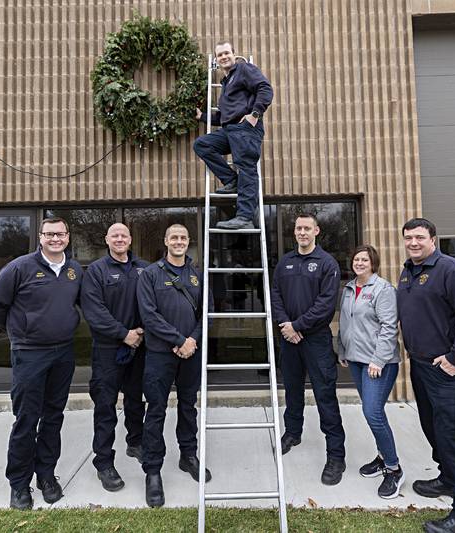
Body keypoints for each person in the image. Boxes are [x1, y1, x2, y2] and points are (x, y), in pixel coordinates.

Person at [0, 217, 83, 510]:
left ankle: (47, 476)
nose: (55, 239)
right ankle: (19, 484)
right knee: (27, 419)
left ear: (67, 237)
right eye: (50, 234)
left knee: (53, 416)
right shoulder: (19, 267)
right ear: (40, 237)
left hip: (63, 353)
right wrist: (19, 330)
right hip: (30, 353)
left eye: (60, 234)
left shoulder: (74, 270)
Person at [397, 218, 455, 533]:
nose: (413, 242)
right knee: (434, 430)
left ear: (433, 239)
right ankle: (448, 478)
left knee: (453, 437)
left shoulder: (452, 271)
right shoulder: (408, 271)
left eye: (419, 237)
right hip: (421, 365)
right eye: (408, 237)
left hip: (446, 370)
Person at [137, 224, 211, 508]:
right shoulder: (151, 274)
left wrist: (192, 340)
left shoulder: (198, 275)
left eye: (183, 238)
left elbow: (207, 313)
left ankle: (188, 455)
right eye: (174, 238)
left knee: (188, 406)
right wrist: (179, 339)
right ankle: (153, 471)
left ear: (188, 242)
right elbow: (149, 315)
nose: (179, 242)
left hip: (191, 353)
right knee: (155, 410)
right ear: (165, 241)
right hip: (159, 354)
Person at [270, 213, 346, 485]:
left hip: (315, 340)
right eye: (298, 228)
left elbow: (327, 304)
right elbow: (275, 295)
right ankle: (293, 432)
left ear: (316, 230)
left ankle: (336, 455)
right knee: (292, 389)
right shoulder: (285, 263)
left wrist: (298, 326)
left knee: (325, 394)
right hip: (288, 339)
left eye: (307, 228)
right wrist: (285, 325)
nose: (302, 232)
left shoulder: (326, 263)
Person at [80, 223, 149, 492]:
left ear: (130, 239)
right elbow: (94, 312)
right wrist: (124, 334)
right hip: (108, 350)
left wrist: (141, 331)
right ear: (107, 240)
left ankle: (136, 442)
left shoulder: (144, 268)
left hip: (140, 345)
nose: (119, 239)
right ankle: (104, 462)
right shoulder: (96, 271)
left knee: (135, 399)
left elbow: (152, 301)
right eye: (114, 235)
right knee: (105, 406)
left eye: (124, 235)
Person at [337, 244, 403, 499]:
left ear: (373, 263)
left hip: (378, 363)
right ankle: (382, 456)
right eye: (356, 259)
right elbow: (344, 321)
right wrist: (342, 350)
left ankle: (394, 468)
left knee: (372, 413)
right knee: (372, 412)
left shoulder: (383, 289)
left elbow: (389, 327)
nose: (360, 263)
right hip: (355, 360)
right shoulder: (349, 288)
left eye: (364, 260)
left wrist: (378, 359)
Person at [193, 40, 273, 230]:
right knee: (202, 144)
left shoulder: (244, 69)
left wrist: (255, 114)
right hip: (229, 130)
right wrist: (202, 116)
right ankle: (231, 180)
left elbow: (265, 88)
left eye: (226, 53)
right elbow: (223, 116)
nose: (223, 57)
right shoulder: (226, 82)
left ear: (234, 54)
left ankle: (244, 217)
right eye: (219, 55)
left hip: (245, 129)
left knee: (246, 168)